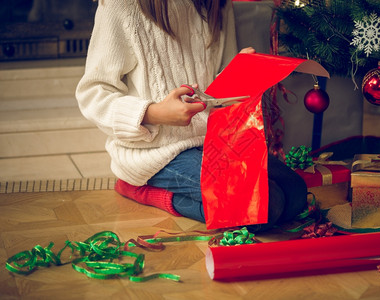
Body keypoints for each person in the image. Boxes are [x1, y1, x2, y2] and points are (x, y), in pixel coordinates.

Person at [76, 0, 307, 231]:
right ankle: (143, 190)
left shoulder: (215, 4)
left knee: (296, 194)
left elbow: (217, 82)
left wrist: (238, 71)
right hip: (154, 153)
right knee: (266, 207)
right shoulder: (122, 6)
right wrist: (156, 113)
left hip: (209, 141)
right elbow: (93, 94)